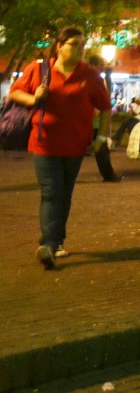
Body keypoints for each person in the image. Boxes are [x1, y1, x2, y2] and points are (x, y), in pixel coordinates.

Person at [8, 27, 111, 269]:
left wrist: (101, 138)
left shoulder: (90, 75)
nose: (80, 48)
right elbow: (15, 93)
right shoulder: (39, 69)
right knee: (51, 191)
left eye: (82, 45)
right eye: (74, 43)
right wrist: (34, 98)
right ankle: (49, 244)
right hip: (44, 142)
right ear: (59, 46)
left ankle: (56, 240)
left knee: (64, 193)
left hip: (75, 144)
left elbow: (105, 107)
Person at [85, 54, 122, 184]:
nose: (102, 68)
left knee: (102, 146)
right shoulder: (91, 78)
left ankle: (109, 173)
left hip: (95, 120)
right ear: (93, 65)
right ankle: (108, 173)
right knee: (102, 148)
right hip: (93, 121)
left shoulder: (96, 78)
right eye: (101, 65)